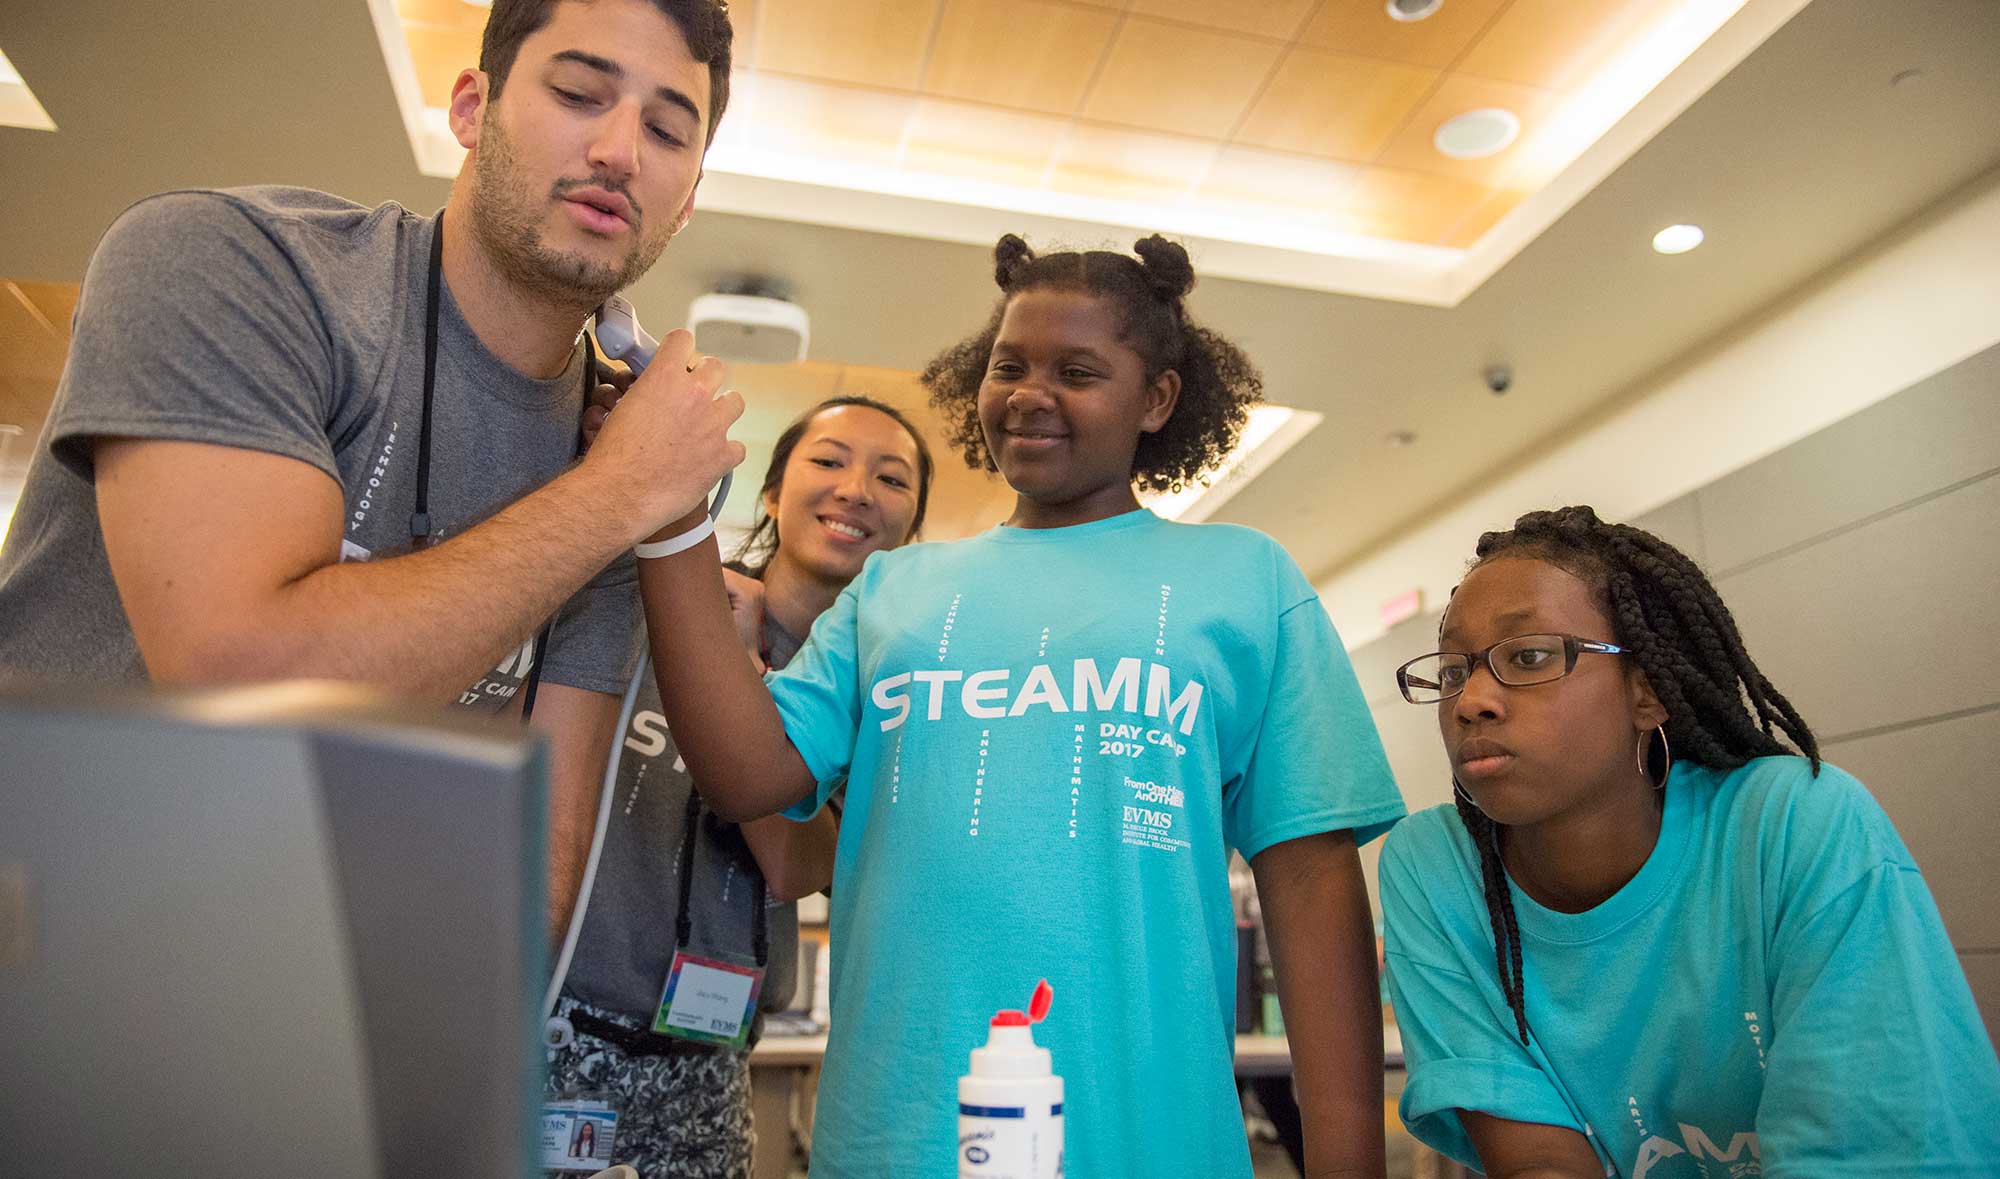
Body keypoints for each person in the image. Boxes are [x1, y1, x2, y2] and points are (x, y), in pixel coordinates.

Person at [632, 233, 1407, 1178]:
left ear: (1156, 398)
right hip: (894, 1141)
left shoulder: (1242, 579)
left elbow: (1312, 885)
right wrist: (668, 519)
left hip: (1153, 1144)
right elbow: (744, 771)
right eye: (1009, 366)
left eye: (1077, 371)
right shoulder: (895, 591)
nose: (1030, 394)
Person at [0, 0, 744, 941]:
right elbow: (241, 685)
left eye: (667, 129)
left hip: (306, 1003)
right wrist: (617, 492)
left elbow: (538, 834)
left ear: (688, 195)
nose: (620, 150)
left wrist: (445, 1055)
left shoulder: (614, 433)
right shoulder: (234, 262)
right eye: (577, 92)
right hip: (46, 944)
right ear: (472, 108)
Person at [1379, 505, 2000, 1178]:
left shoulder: (1795, 824)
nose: (1470, 699)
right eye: (1452, 670)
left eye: (1528, 656)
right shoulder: (1437, 871)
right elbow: (1542, 1166)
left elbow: (1870, 1156)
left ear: (1647, 691)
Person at [547, 396, 935, 1178]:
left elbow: (799, 864)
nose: (856, 489)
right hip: (558, 1024)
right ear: (771, 491)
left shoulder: (892, 687)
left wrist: (741, 672)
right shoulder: (671, 596)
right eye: (827, 461)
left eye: (892, 479)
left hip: (708, 1061)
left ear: (913, 528)